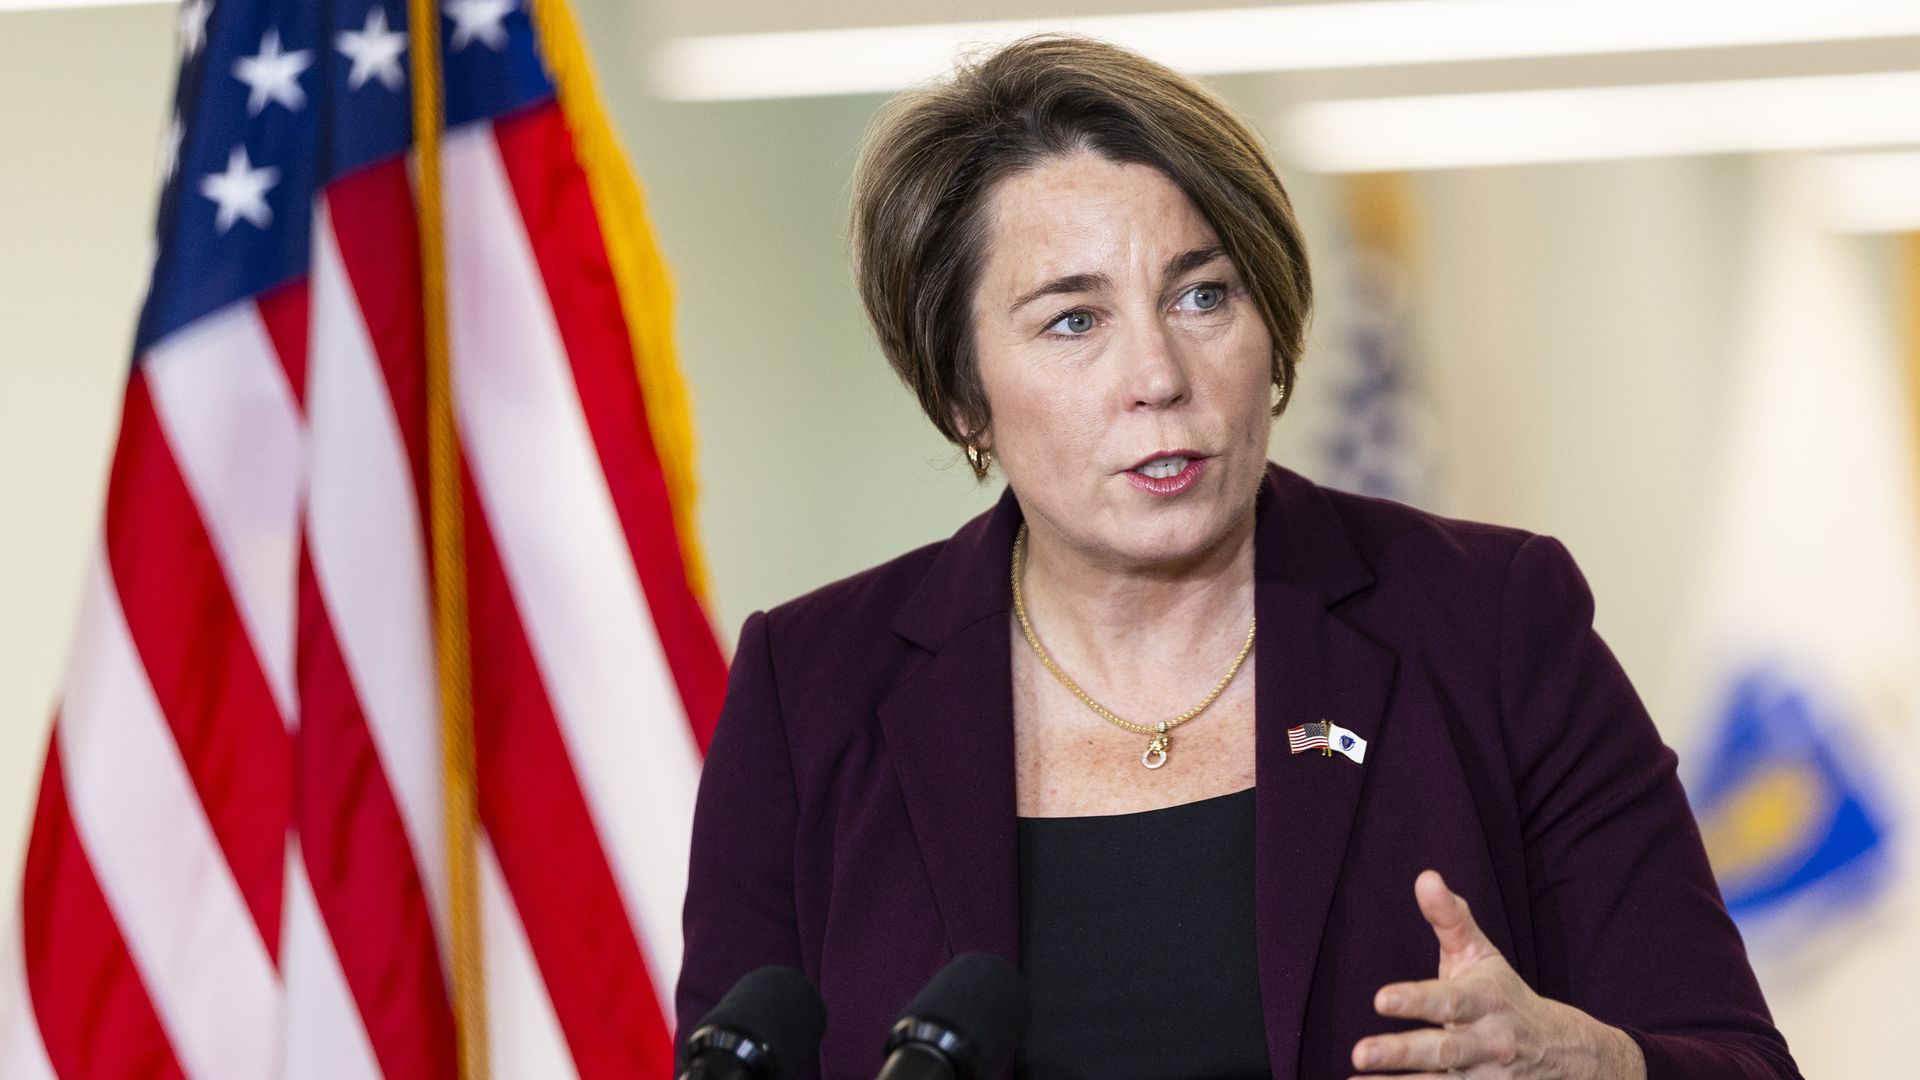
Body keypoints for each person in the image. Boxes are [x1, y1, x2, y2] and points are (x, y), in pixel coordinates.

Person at [675, 33, 1799, 1080]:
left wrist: (1588, 1063)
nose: (1159, 376)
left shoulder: (1490, 624)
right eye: (1074, 320)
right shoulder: (810, 689)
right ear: (963, 393)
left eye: (1202, 295)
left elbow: (1740, 1060)